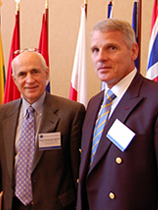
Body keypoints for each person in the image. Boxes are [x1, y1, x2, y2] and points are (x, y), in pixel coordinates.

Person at [77, 18, 158, 210]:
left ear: (133, 51)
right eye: (95, 50)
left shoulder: (153, 98)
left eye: (111, 48)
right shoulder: (95, 103)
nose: (101, 57)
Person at [0, 49, 85, 210]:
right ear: (14, 79)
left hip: (56, 206)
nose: (30, 80)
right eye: (22, 74)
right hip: (14, 205)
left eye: (35, 72)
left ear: (46, 74)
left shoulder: (71, 112)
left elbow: (77, 169)